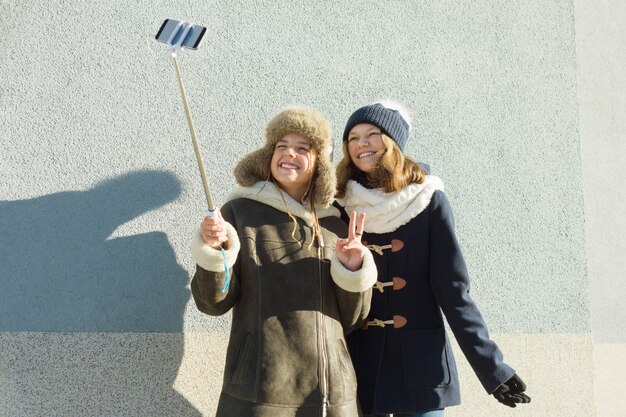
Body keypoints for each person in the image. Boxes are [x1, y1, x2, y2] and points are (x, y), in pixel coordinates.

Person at [334, 102, 531, 417]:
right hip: (360, 365)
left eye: (372, 134)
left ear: (393, 142)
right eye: (353, 137)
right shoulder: (339, 204)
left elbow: (453, 291)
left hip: (422, 367)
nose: (362, 144)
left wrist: (493, 369)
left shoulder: (428, 200)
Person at [190, 107, 378, 417]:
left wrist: (352, 268)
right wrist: (214, 252)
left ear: (318, 162)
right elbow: (212, 303)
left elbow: (354, 318)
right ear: (268, 154)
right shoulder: (240, 213)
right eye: (281, 145)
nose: (289, 153)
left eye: (302, 148)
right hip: (260, 393)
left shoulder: (334, 225)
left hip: (331, 397)